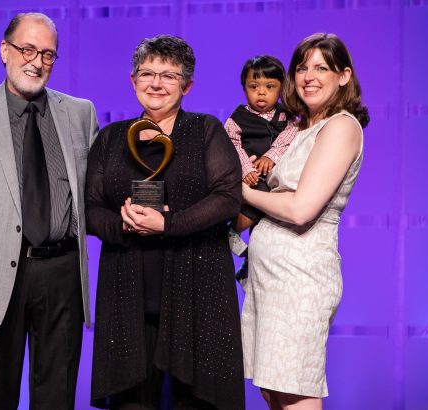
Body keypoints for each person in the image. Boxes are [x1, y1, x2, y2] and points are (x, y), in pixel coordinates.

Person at [0, 12, 98, 409]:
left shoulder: (80, 112)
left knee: (58, 397)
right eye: (27, 49)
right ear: (4, 51)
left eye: (48, 54)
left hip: (62, 273)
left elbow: (99, 191)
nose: (37, 61)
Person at [86, 35, 245, 409]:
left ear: (187, 85)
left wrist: (167, 225)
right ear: (132, 81)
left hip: (196, 296)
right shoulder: (109, 138)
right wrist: (123, 223)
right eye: (147, 73)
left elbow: (227, 198)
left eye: (169, 76)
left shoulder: (206, 131)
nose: (156, 83)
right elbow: (90, 209)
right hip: (127, 297)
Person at [240, 33, 369, 409]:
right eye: (301, 68)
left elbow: (301, 209)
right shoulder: (299, 126)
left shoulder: (341, 127)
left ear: (343, 76)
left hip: (300, 280)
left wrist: (241, 192)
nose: (308, 76)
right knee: (274, 391)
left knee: (296, 391)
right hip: (270, 279)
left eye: (321, 68)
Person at [223, 55, 299, 280]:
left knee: (268, 226)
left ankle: (248, 265)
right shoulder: (237, 119)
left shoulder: (288, 116)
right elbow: (233, 146)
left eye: (270, 86)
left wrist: (271, 156)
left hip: (278, 176)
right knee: (258, 199)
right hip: (253, 178)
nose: (261, 93)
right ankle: (231, 232)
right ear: (244, 88)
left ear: (282, 88)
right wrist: (246, 169)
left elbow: (289, 136)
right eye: (254, 87)